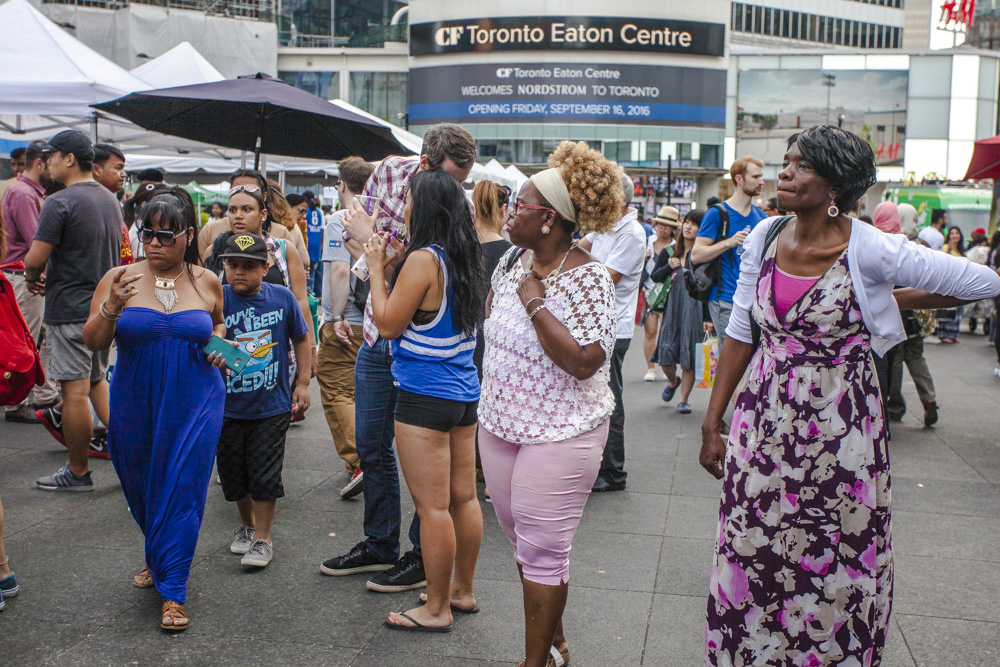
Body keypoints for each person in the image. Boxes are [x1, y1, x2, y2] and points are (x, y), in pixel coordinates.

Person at [699, 125, 1000, 666]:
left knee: (833, 555)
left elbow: (982, 283)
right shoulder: (766, 235)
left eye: (801, 165)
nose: (785, 172)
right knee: (753, 546)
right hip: (762, 424)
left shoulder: (871, 249)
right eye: (786, 161)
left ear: (836, 184)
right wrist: (712, 419)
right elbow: (742, 328)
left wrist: (882, 298)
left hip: (842, 434)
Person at [479, 141, 620, 667]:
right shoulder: (513, 261)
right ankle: (554, 638)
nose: (511, 211)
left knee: (542, 549)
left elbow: (584, 361)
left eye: (522, 204)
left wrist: (535, 302)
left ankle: (534, 662)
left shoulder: (590, 279)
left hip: (564, 430)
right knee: (522, 543)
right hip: (499, 424)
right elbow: (496, 321)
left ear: (550, 220)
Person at [320, 123, 478, 594]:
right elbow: (354, 240)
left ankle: (420, 557)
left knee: (432, 484)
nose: (460, 191)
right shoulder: (389, 172)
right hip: (380, 333)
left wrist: (381, 251)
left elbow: (413, 271)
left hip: (416, 348)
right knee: (370, 443)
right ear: (426, 165)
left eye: (463, 181)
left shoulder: (457, 208)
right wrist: (379, 253)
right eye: (453, 178)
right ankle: (380, 543)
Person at [82, 190, 225, 631]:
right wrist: (112, 305)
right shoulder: (119, 277)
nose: (156, 243)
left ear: (188, 235)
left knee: (182, 487)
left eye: (167, 234)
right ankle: (158, 555)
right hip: (134, 400)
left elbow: (216, 322)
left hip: (196, 398)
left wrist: (220, 345)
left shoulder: (207, 280)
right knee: (142, 483)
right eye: (148, 233)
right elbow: (94, 341)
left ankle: (174, 592)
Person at [362, 169, 486, 633]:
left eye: (409, 200)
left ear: (426, 208)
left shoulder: (424, 260)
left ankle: (436, 609)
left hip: (423, 395)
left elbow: (389, 324)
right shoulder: (466, 257)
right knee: (463, 498)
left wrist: (376, 267)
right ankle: (461, 590)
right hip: (463, 394)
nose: (405, 207)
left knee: (432, 506)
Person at [23, 130, 122, 492]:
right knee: (97, 384)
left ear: (68, 158)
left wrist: (34, 276)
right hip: (103, 311)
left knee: (74, 392)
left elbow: (34, 259)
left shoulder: (59, 202)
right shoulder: (110, 200)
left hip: (70, 311)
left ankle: (78, 471)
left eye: (51, 155)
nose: (46, 161)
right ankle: (129, 454)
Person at [211, 233, 311, 569]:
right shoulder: (218, 299)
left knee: (265, 473)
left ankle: (263, 538)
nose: (239, 272)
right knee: (233, 473)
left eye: (249, 266)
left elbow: (301, 337)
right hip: (226, 407)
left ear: (265, 267)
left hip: (271, 405)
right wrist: (217, 349)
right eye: (232, 265)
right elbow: (204, 339)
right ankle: (248, 524)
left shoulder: (281, 298)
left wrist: (303, 383)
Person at [205, 181, 316, 377]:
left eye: (246, 209)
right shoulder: (214, 252)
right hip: (227, 364)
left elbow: (301, 302)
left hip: (277, 359)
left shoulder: (283, 249)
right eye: (232, 210)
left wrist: (311, 348)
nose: (238, 215)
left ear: (263, 214)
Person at [578, 172, 645, 493]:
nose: (595, 199)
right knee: (597, 396)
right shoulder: (604, 226)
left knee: (611, 399)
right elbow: (576, 249)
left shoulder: (631, 233)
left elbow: (604, 278)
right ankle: (599, 465)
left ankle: (614, 472)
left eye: (602, 194)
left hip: (612, 328)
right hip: (592, 325)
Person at [316, 156, 373, 502]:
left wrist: (336, 317)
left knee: (336, 389)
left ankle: (358, 460)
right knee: (359, 394)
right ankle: (369, 460)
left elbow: (340, 272)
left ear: (342, 185)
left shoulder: (341, 218)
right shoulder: (377, 217)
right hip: (372, 320)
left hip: (346, 321)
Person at [2, 141, 59, 423]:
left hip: (26, 276)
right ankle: (17, 402)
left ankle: (45, 395)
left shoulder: (26, 191)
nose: (54, 169)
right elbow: (36, 239)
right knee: (25, 340)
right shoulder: (24, 193)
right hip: (24, 277)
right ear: (39, 164)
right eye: (51, 163)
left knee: (41, 338)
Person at [873, 202, 939, 427]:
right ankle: (928, 396)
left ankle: (894, 406)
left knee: (894, 360)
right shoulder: (917, 244)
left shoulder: (880, 243)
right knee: (917, 356)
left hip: (896, 313)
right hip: (918, 315)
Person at [690, 156, 766, 349]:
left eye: (761, 176)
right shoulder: (718, 213)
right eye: (755, 176)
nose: (761, 181)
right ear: (739, 179)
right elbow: (696, 255)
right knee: (732, 358)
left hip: (755, 301)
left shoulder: (761, 217)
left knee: (752, 359)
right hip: (725, 300)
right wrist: (728, 243)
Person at [470, 179, 512, 499]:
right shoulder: (511, 255)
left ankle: (472, 464)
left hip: (463, 333)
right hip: (495, 335)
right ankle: (491, 469)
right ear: (503, 210)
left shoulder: (461, 249)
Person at [650, 209, 713, 413]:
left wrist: (707, 317)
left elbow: (710, 288)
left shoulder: (704, 256)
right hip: (672, 309)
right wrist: (668, 267)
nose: (688, 227)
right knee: (666, 355)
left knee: (689, 357)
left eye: (694, 224)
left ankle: (683, 400)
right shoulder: (669, 251)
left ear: (701, 228)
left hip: (695, 309)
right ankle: (672, 381)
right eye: (686, 222)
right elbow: (655, 277)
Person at [641, 206, 677, 382]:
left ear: (673, 229)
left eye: (667, 225)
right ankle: (650, 368)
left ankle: (665, 365)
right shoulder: (647, 241)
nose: (663, 228)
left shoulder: (676, 246)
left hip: (669, 291)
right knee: (651, 330)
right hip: (649, 290)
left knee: (666, 331)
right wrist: (644, 258)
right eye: (660, 224)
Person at [935, 225, 968, 343]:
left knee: (958, 310)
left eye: (956, 233)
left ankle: (953, 334)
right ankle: (944, 334)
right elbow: (943, 261)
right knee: (947, 308)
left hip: (960, 284)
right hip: (948, 283)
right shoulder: (945, 247)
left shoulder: (963, 250)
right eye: (952, 233)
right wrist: (949, 249)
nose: (954, 235)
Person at [303, 190, 324, 297]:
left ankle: (308, 294)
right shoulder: (320, 212)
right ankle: (314, 293)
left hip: (306, 245)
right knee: (314, 273)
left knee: (306, 273)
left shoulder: (305, 211)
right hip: (316, 247)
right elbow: (322, 230)